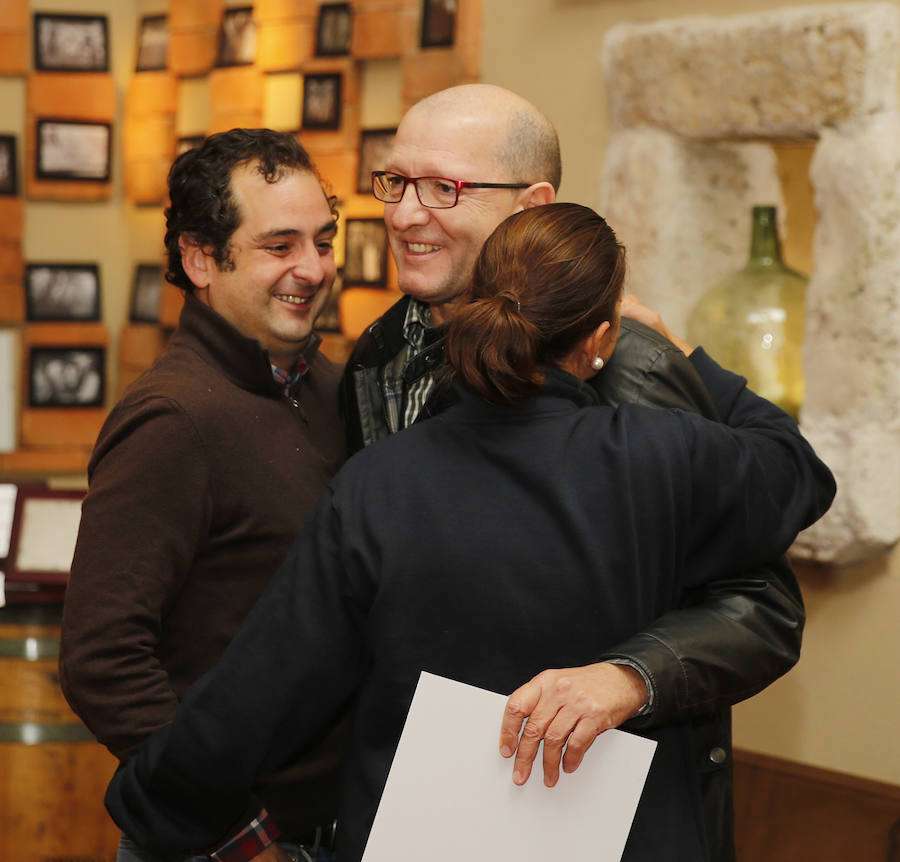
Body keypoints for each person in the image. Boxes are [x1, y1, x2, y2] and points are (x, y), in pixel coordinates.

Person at [104, 203, 836, 862]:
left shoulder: (379, 483)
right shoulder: (663, 455)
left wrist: (150, 806)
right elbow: (796, 470)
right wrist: (676, 348)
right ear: (601, 340)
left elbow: (264, 686)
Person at [339, 83, 808, 860]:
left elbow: (763, 607)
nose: (404, 212)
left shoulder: (624, 365)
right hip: (429, 810)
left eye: (443, 188)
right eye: (395, 182)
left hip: (601, 806)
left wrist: (628, 676)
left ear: (532, 205)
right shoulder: (379, 355)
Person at [59, 129, 348, 862]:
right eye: (279, 246)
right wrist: (236, 836)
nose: (312, 269)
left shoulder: (331, 390)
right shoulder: (173, 419)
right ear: (199, 259)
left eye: (323, 240)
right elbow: (103, 659)